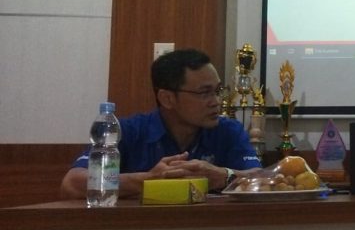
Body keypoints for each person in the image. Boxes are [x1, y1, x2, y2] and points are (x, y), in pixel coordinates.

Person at [60, 49, 262, 199]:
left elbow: (261, 179)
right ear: (167, 99)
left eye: (217, 91)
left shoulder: (228, 131)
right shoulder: (128, 131)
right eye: (204, 93)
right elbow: (72, 183)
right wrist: (148, 180)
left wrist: (223, 176)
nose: (216, 102)